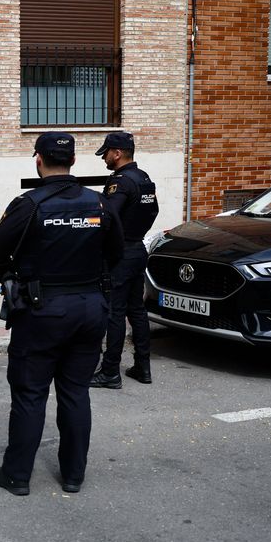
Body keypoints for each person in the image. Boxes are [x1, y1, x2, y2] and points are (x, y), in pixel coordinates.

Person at [0, 132, 123, 495]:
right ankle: (74, 475)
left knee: (30, 393)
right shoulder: (99, 204)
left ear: (38, 161)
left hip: (42, 312)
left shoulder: (29, 205)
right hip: (90, 309)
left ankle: (17, 476)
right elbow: (116, 253)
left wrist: (11, 276)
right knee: (76, 392)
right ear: (73, 161)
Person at [89, 131, 160, 388]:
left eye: (106, 153)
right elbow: (154, 211)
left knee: (115, 313)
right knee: (137, 311)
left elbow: (108, 216)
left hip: (120, 254)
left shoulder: (120, 181)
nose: (104, 158)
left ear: (117, 153)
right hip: (137, 250)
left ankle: (110, 372)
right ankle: (143, 367)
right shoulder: (143, 178)